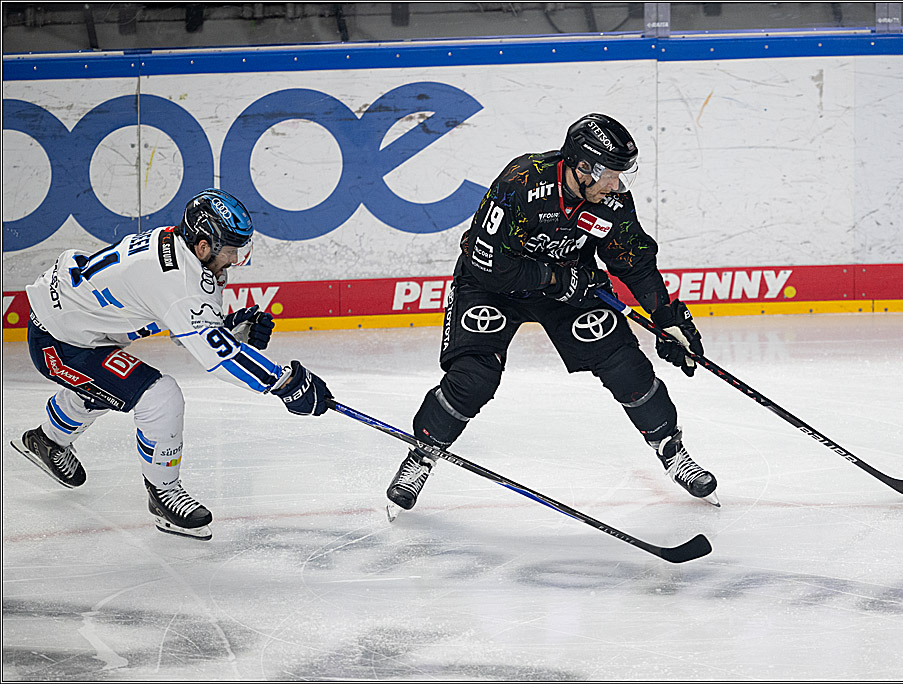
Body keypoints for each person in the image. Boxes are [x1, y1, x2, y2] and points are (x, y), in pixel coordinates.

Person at [386, 113, 718, 511]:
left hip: (569, 285)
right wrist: (558, 279)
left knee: (626, 366)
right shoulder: (521, 183)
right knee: (473, 377)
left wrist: (665, 316)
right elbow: (487, 264)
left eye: (620, 175)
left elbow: (633, 260)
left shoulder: (610, 200)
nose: (616, 185)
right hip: (494, 286)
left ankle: (671, 449)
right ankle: (422, 454)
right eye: (609, 174)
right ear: (582, 166)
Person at [11, 188, 333, 541]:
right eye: (230, 249)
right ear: (204, 245)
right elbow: (217, 355)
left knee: (106, 387)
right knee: (159, 396)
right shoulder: (180, 279)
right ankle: (163, 494)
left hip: (78, 325)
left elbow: (188, 328)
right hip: (60, 343)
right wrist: (284, 383)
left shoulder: (181, 251)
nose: (234, 258)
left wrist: (225, 328)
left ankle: (46, 440)